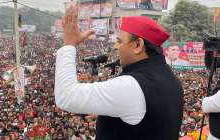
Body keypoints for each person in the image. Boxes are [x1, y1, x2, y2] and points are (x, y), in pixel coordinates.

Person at [55, 6, 183, 140]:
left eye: (119, 41)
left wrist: (69, 44)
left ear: (138, 45)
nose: (115, 46)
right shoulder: (170, 79)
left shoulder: (132, 85)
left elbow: (66, 96)